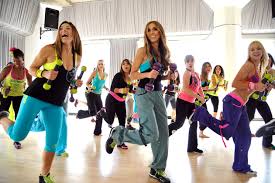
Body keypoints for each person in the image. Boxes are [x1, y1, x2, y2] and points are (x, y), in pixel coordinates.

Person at [0, 21, 82, 183]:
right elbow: (31, 68)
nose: (64, 31)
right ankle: (2, 116)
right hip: (35, 96)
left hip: (56, 102)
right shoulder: (49, 49)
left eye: (68, 28)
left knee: (52, 140)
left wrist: (74, 83)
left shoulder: (77, 57)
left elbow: (69, 78)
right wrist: (44, 73)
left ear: (74, 34)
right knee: (18, 134)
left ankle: (44, 176)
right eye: (61, 29)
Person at [105, 21, 172, 183]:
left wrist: (168, 77)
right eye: (149, 30)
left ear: (160, 31)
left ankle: (157, 169)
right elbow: (133, 75)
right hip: (143, 93)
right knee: (151, 134)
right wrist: (148, 75)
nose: (152, 32)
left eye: (155, 29)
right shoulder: (143, 51)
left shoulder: (165, 53)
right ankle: (117, 134)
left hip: (157, 94)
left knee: (163, 134)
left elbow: (159, 74)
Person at [189, 40, 268, 176]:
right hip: (233, 101)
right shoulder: (249, 65)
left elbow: (249, 86)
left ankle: (240, 165)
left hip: (240, 104)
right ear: (249, 53)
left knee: (244, 137)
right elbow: (235, 83)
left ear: (263, 51)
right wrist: (255, 86)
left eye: (258, 48)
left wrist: (262, 86)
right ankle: (200, 113)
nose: (256, 51)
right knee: (226, 132)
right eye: (252, 49)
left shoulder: (256, 68)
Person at [168, 55, 204, 154]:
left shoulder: (196, 74)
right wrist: (199, 97)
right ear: (185, 63)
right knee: (179, 123)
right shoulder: (186, 73)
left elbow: (199, 88)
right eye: (188, 61)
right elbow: (186, 89)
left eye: (192, 61)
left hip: (191, 103)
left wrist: (203, 97)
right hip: (183, 102)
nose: (190, 63)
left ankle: (192, 147)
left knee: (194, 123)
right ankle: (162, 136)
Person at [0, 48, 32, 149]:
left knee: (19, 117)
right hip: (6, 95)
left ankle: (16, 139)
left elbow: (31, 87)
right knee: (2, 115)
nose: (16, 63)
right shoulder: (8, 69)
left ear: (23, 59)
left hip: (19, 97)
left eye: (18, 60)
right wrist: (3, 89)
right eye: (14, 61)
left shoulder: (26, 71)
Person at [101, 59, 133, 149]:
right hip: (112, 99)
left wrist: (138, 91)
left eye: (127, 64)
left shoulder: (131, 78)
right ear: (121, 66)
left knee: (122, 123)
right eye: (123, 64)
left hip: (121, 102)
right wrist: (122, 90)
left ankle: (120, 142)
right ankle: (102, 112)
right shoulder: (118, 75)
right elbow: (113, 89)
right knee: (110, 121)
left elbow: (130, 90)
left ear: (130, 66)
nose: (125, 66)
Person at [247, 53, 275, 149]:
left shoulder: (273, 72)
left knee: (269, 120)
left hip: (262, 100)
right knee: (249, 117)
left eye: (269, 59)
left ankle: (267, 143)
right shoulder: (258, 70)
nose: (268, 61)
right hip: (252, 98)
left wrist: (272, 85)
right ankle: (244, 136)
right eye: (266, 59)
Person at [76, 59, 108, 135]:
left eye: (102, 64)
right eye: (99, 64)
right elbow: (87, 83)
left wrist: (105, 87)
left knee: (100, 112)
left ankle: (97, 132)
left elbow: (101, 84)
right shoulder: (95, 72)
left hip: (98, 94)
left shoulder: (106, 75)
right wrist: (90, 87)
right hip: (90, 93)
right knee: (93, 112)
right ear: (97, 65)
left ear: (104, 65)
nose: (100, 65)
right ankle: (80, 114)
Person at [198, 62, 212, 138]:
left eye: (209, 66)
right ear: (203, 68)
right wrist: (204, 88)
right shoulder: (200, 77)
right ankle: (200, 132)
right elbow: (196, 88)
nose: (208, 68)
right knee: (204, 115)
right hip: (198, 99)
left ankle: (201, 132)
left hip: (203, 99)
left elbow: (206, 90)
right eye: (206, 66)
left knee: (203, 115)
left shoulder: (207, 77)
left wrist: (212, 89)